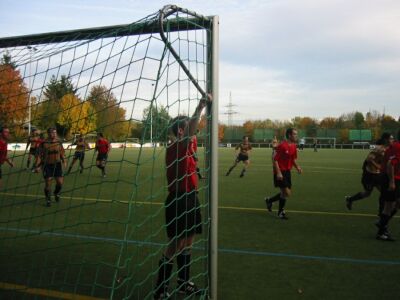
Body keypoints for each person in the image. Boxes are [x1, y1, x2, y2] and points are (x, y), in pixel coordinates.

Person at [154, 94, 210, 300]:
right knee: (175, 245)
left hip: (190, 198)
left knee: (188, 242)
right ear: (181, 131)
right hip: (178, 200)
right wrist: (200, 107)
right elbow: (190, 133)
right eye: (190, 129)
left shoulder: (188, 148)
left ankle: (184, 283)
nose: (194, 133)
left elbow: (190, 163)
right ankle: (160, 289)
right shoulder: (176, 146)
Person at [345, 133, 393, 211]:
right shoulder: (379, 149)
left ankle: (381, 213)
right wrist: (379, 167)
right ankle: (350, 199)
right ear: (386, 140)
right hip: (370, 175)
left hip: (377, 174)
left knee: (384, 192)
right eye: (391, 138)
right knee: (367, 193)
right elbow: (369, 159)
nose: (392, 140)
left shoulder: (388, 149)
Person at [265, 128, 302, 219]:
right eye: (294, 134)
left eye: (296, 134)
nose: (296, 136)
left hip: (287, 172)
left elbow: (293, 159)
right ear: (289, 135)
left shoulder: (293, 146)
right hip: (280, 172)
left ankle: (270, 201)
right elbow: (275, 159)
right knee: (287, 193)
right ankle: (280, 212)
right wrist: (278, 173)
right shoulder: (282, 146)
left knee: (284, 193)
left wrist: (297, 167)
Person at [375, 131, 400, 241]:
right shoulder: (397, 147)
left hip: (389, 177)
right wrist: (392, 182)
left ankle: (382, 224)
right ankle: (381, 229)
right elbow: (390, 164)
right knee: (389, 205)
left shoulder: (394, 146)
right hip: (391, 178)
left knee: (393, 205)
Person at [34, 128, 66, 207]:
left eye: (55, 132)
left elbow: (62, 153)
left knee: (60, 183)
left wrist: (64, 161)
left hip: (57, 164)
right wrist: (37, 166)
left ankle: (56, 193)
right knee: (48, 182)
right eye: (52, 133)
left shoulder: (58, 142)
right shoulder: (43, 143)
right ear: (48, 133)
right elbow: (39, 156)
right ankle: (48, 199)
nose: (54, 134)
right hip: (47, 165)